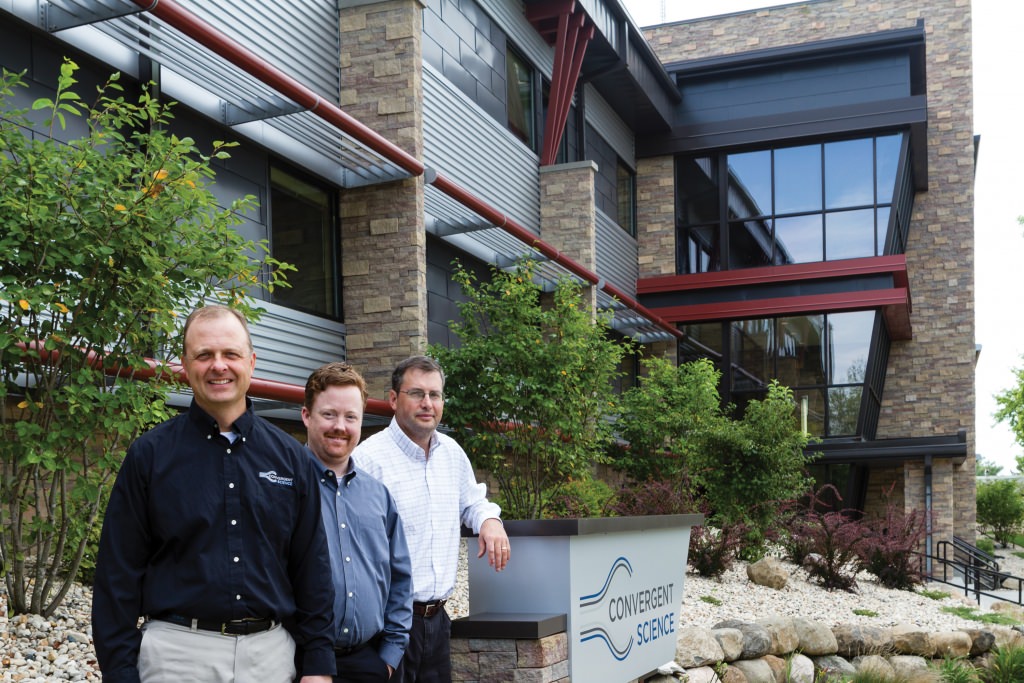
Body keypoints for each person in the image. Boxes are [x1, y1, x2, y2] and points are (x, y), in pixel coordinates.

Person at [92, 305, 336, 683]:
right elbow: (116, 576)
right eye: (204, 355)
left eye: (230, 354)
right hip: (176, 657)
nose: (218, 365)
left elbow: (312, 569)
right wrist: (120, 671)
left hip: (270, 657)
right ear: (186, 366)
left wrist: (319, 663)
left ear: (251, 362)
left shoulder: (291, 459)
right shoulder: (150, 456)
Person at [353, 355, 510, 683]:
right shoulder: (368, 460)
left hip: (439, 621)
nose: (428, 403)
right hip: (388, 625)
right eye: (417, 394)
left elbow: (473, 501)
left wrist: (489, 521)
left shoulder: (451, 453)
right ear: (394, 399)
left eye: (435, 395)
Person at [300, 362, 413, 681]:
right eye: (329, 414)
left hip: (369, 662)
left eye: (351, 417)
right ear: (306, 415)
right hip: (302, 665)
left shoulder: (378, 496)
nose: (341, 426)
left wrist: (389, 658)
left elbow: (400, 579)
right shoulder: (285, 488)